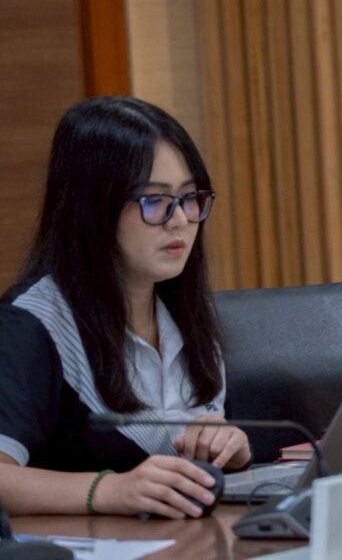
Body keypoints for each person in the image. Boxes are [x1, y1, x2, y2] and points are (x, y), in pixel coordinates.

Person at [0, 96, 250, 519]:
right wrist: (109, 490)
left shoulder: (185, 313)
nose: (179, 220)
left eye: (190, 197)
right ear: (92, 207)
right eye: (154, 201)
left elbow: (191, 471)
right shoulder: (31, 324)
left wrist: (230, 450)